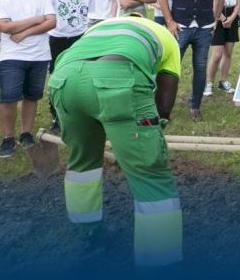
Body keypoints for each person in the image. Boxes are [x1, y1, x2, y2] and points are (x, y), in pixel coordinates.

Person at [49, 16, 183, 267]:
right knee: (151, 175)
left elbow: (85, 73)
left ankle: (89, 235)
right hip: (118, 78)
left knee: (83, 164)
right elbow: (164, 105)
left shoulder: (100, 27)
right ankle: (160, 262)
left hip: (63, 79)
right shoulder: (168, 38)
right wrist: (144, 140)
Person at [0, 0, 57, 158]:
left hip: (39, 55)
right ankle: (7, 138)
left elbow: (51, 22)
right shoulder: (0, 0)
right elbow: (5, 26)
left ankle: (26, 133)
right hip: (12, 56)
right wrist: (36, 20)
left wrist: (24, 32)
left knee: (32, 95)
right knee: (9, 97)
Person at [157, 0, 224, 122]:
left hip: (204, 27)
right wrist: (170, 21)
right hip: (180, 26)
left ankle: (195, 106)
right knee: (170, 68)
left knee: (200, 68)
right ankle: (163, 107)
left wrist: (215, 18)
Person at [45, 0, 98, 132]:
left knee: (79, 76)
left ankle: (79, 113)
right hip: (56, 37)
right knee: (57, 76)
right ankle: (56, 116)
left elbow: (91, 14)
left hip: (80, 37)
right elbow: (47, 12)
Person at [206, 0, 240, 97]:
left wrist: (232, 18)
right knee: (217, 54)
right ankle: (209, 83)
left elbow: (239, 2)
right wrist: (221, 18)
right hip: (217, 20)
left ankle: (224, 81)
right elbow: (211, 1)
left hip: (232, 20)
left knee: (228, 53)